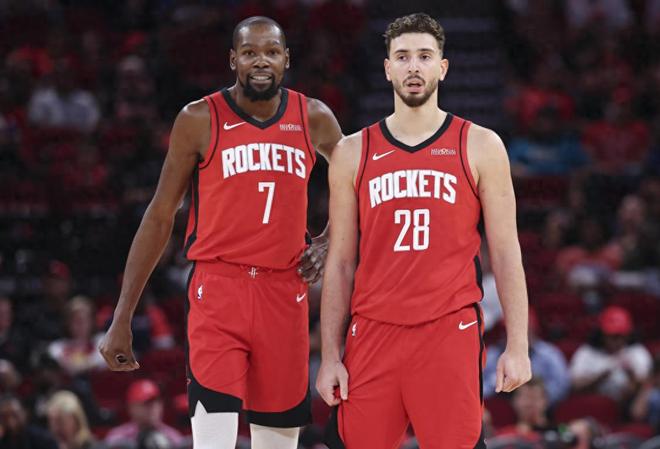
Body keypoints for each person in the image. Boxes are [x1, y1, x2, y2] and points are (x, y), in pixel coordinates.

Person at [99, 15, 342, 449]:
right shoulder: (198, 118)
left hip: (285, 292)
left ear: (287, 59)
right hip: (218, 290)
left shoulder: (314, 117)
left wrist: (327, 240)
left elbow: (358, 186)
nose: (261, 61)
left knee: (277, 443)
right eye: (249, 52)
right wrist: (122, 316)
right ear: (233, 60)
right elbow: (159, 215)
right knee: (213, 442)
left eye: (271, 52)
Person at [316, 13, 531, 449]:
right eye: (402, 57)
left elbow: (507, 252)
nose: (413, 67)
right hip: (373, 331)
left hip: (448, 331)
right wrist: (329, 356)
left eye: (424, 56)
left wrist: (518, 345)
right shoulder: (351, 152)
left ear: (443, 67)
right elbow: (339, 263)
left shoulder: (481, 145)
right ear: (387, 68)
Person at [484, 308, 570, 405]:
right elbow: (480, 388)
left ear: (532, 331)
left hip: (541, 405)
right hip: (502, 405)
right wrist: (497, 383)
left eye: (519, 330)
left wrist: (536, 392)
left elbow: (562, 386)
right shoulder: (493, 353)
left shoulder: (549, 354)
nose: (512, 334)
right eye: (508, 330)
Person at [570, 305, 652, 402]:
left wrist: (631, 375)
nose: (617, 341)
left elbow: (648, 384)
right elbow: (575, 385)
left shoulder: (637, 351)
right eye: (612, 336)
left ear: (628, 334)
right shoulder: (587, 352)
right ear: (602, 334)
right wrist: (600, 377)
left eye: (621, 336)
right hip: (594, 402)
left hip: (627, 405)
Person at [104, 379, 183, 449]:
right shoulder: (117, 438)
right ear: (131, 407)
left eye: (156, 403)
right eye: (146, 404)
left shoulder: (173, 437)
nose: (153, 408)